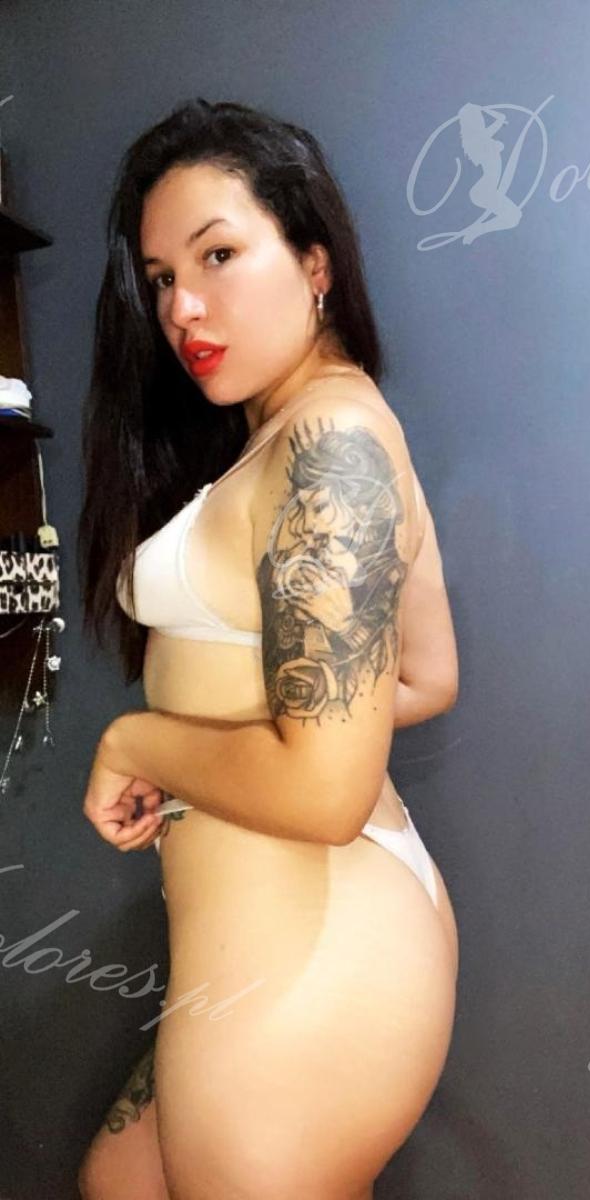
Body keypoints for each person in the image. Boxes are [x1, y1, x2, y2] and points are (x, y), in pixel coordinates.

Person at [76, 98, 459, 1200]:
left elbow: (324, 792)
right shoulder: (305, 431)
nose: (182, 306)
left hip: (312, 951)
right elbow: (425, 677)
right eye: (160, 277)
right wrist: (287, 727)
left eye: (219, 255)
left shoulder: (331, 440)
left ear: (314, 261)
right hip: (266, 943)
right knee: (119, 1181)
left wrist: (140, 742)